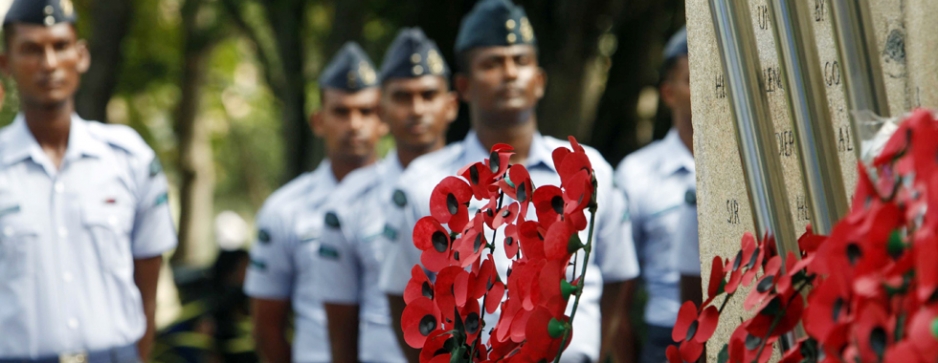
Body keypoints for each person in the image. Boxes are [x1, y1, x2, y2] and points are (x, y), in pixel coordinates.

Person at [378, 1, 641, 362]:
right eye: (492, 63)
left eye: (520, 61)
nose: (509, 73)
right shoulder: (426, 183)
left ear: (539, 80)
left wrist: (592, 350)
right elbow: (401, 297)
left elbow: (618, 276)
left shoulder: (589, 168)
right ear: (464, 86)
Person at [0, 0, 177, 362]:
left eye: (60, 46)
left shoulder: (128, 158)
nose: (49, 64)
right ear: (5, 64)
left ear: (81, 55)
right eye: (31, 50)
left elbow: (148, 278)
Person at [313, 28, 458, 363]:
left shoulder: (481, 187)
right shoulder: (351, 199)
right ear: (381, 110)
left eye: (428, 95)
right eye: (402, 97)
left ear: (451, 105)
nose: (417, 109)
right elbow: (341, 329)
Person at [244, 42, 386, 363]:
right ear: (318, 121)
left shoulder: (404, 201)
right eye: (341, 112)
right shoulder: (285, 209)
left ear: (383, 120)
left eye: (366, 111)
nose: (354, 124)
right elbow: (267, 327)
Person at [614, 27, 696, 363]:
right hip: (667, 339)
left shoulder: (757, 166)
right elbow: (618, 292)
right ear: (669, 93)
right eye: (694, 77)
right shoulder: (637, 173)